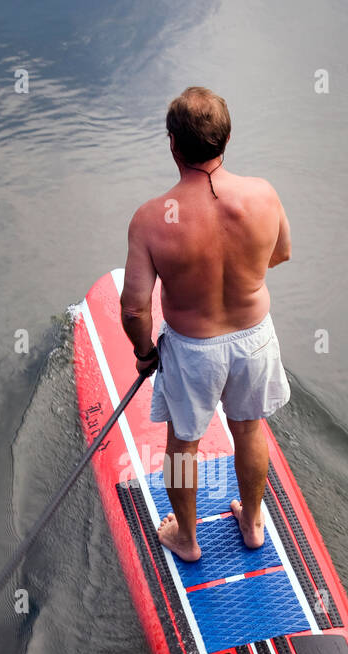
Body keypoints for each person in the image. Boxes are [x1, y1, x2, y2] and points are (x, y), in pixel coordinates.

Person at [120, 86, 292, 562]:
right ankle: (253, 522)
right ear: (227, 137)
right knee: (250, 428)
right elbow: (281, 253)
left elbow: (135, 308)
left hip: (194, 348)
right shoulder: (263, 194)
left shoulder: (153, 219)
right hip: (254, 338)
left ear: (172, 143)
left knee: (182, 444)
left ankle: (187, 538)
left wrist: (144, 353)